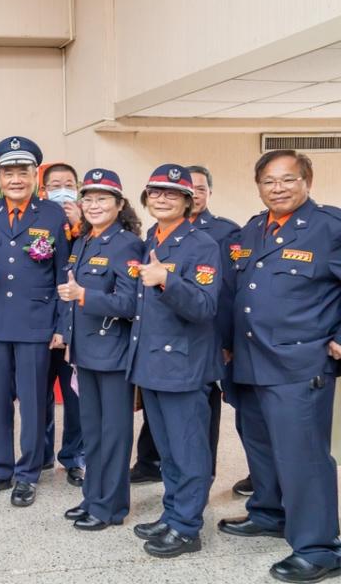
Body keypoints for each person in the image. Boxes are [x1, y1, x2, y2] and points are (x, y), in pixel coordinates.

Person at [219, 150, 341, 584]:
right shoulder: (254, 229)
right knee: (261, 446)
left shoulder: (329, 228)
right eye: (269, 181)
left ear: (307, 180)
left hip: (297, 362)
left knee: (303, 456)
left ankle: (318, 547)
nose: (278, 188)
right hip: (250, 359)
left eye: (288, 180)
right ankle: (270, 513)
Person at [0, 137, 71, 508]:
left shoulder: (53, 216)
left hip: (35, 322)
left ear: (35, 174)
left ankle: (28, 473)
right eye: (8, 172)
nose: (15, 179)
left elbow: (64, 274)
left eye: (22, 171)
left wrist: (64, 325)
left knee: (32, 402)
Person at [126, 164, 221, 558]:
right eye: (155, 192)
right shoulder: (152, 236)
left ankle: (187, 528)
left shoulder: (201, 244)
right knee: (166, 449)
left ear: (187, 201)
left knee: (188, 449)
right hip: (152, 363)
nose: (162, 198)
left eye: (171, 193)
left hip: (183, 365)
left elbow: (204, 306)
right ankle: (172, 513)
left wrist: (167, 279)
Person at [56, 169, 144, 531]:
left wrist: (84, 296)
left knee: (114, 433)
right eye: (88, 199)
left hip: (112, 353)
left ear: (119, 204)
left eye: (102, 199)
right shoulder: (85, 241)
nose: (93, 205)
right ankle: (93, 497)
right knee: (92, 431)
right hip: (86, 352)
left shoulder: (127, 244)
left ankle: (111, 507)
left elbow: (130, 303)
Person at [187, 164, 248, 493]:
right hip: (181, 338)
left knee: (235, 405)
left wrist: (229, 338)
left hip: (219, 336)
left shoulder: (227, 231)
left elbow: (236, 289)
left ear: (209, 192)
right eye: (187, 187)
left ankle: (255, 474)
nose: (194, 193)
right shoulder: (161, 230)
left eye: (200, 187)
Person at [40, 163, 86, 486]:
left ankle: (74, 457)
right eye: (55, 184)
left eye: (68, 183)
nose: (62, 189)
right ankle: (40, 454)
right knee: (39, 394)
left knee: (75, 398)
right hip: (41, 325)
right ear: (44, 190)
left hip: (78, 328)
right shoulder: (38, 220)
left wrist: (77, 225)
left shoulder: (90, 227)